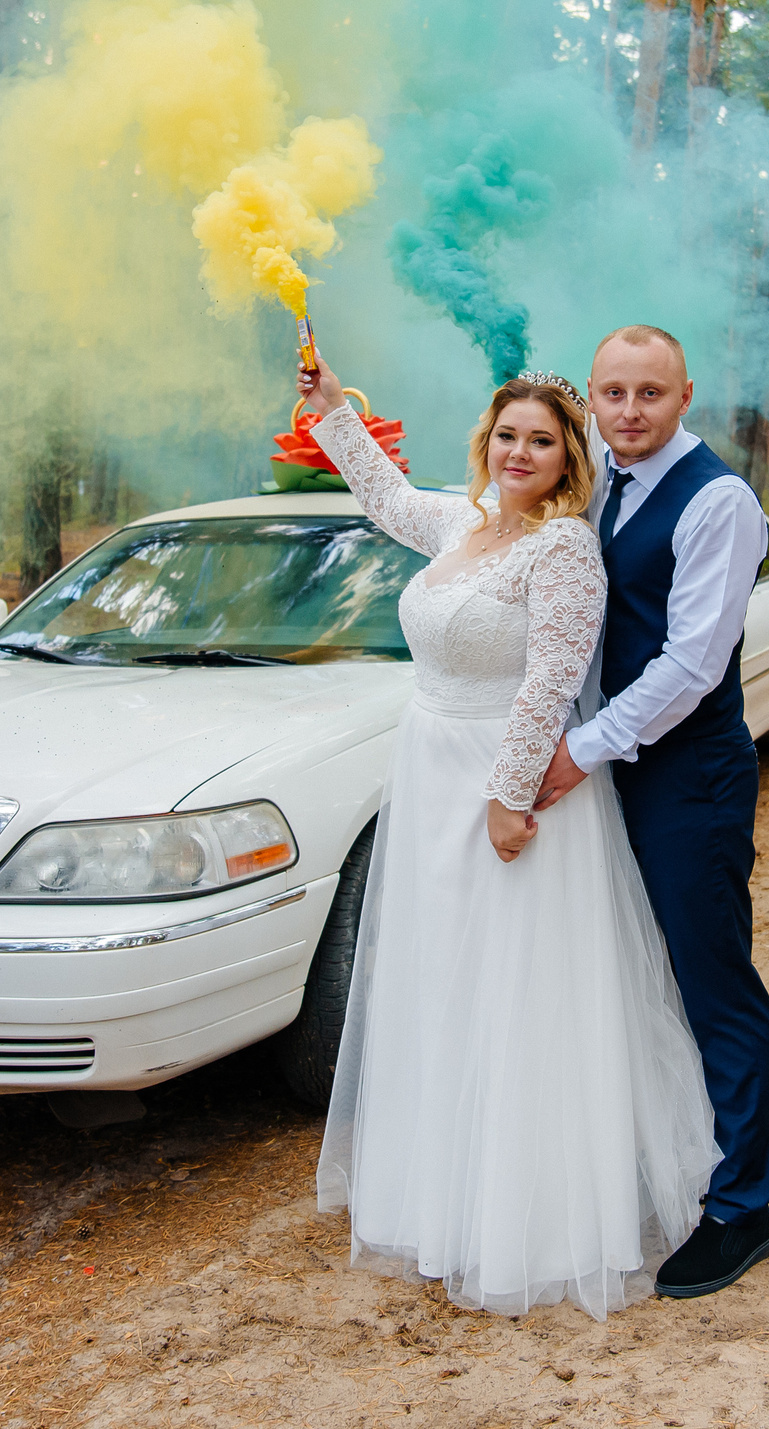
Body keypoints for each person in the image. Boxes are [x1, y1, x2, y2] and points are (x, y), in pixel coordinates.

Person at [301, 352, 718, 1320]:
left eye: (540, 438)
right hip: (428, 766)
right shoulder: (463, 520)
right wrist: (329, 411)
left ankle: (526, 1221)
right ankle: (442, 1197)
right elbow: (388, 499)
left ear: (567, 454)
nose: (520, 450)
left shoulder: (564, 548)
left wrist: (507, 794)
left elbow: (549, 680)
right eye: (506, 435)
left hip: (506, 786)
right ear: (486, 443)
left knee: (514, 988)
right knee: (445, 982)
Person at [532, 325, 769, 1299]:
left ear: (685, 395)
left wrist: (579, 750)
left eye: (648, 392)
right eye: (611, 393)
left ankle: (741, 1206)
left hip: (688, 776)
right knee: (620, 968)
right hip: (602, 767)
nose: (628, 410)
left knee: (710, 980)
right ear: (588, 399)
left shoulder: (717, 498)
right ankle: (654, 1156)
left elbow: (690, 662)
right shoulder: (593, 483)